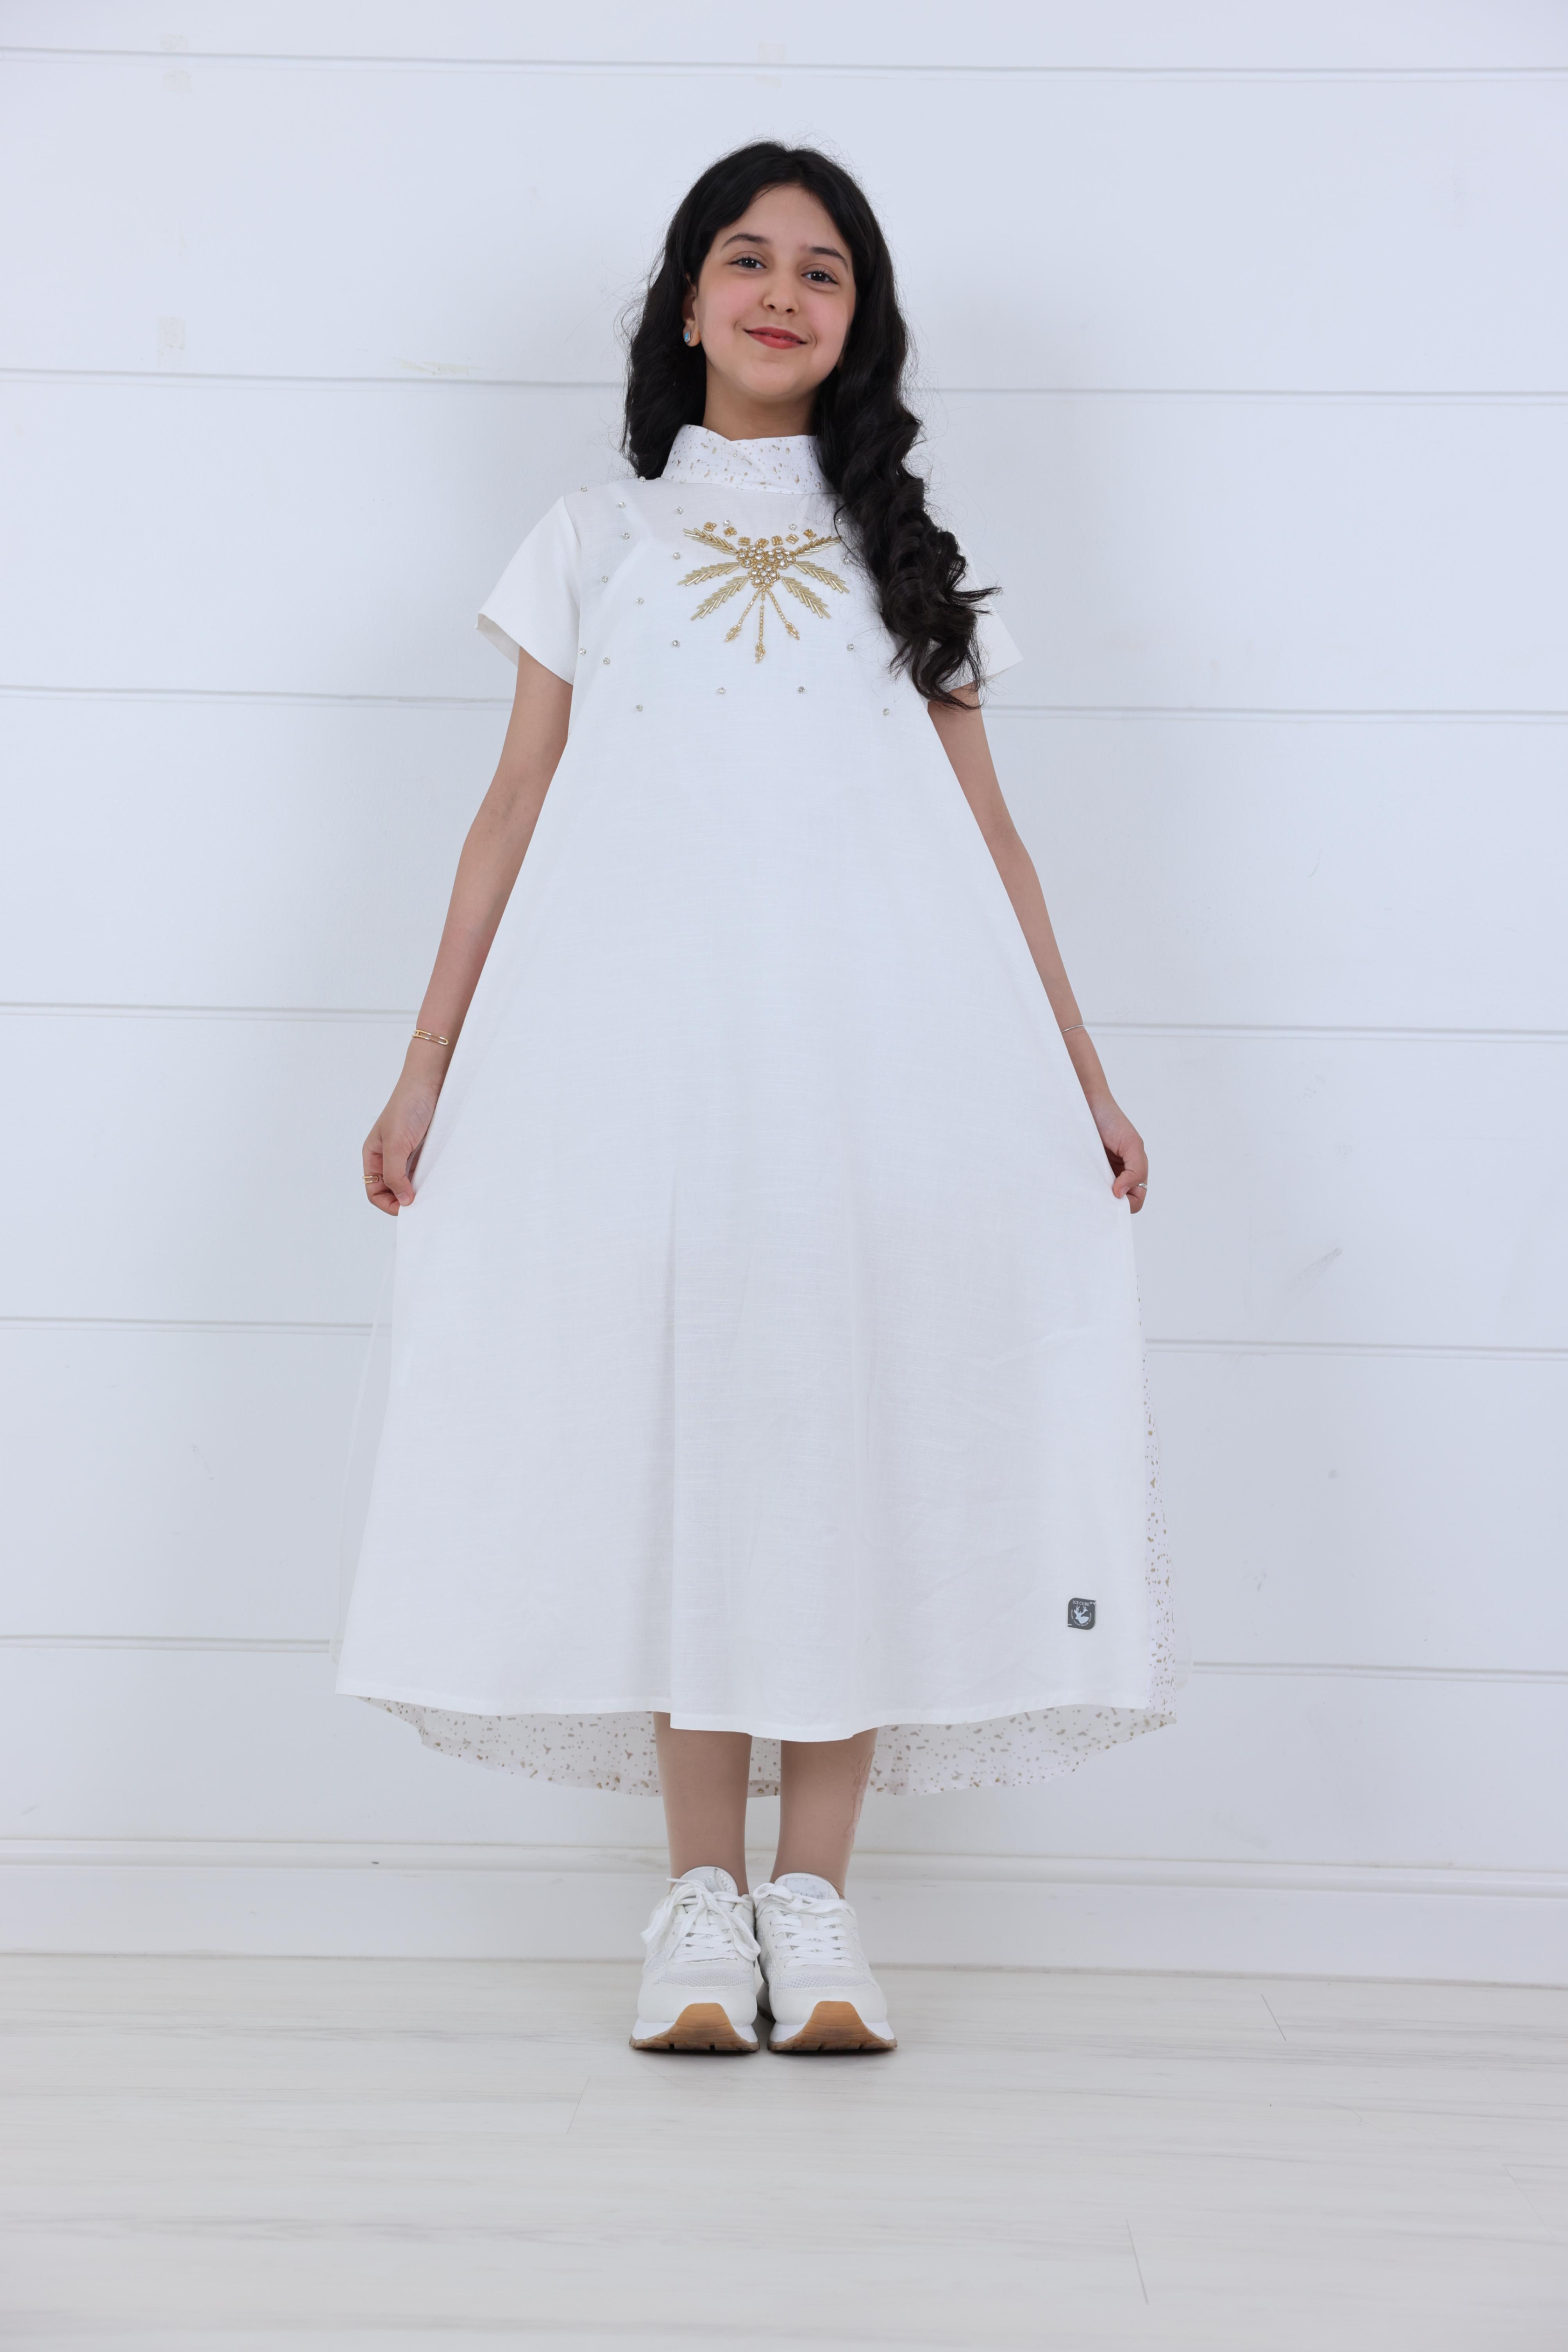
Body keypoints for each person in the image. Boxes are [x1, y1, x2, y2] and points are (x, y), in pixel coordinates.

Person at [336, 143, 1175, 2056]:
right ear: (688, 298)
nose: (782, 291)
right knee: (692, 1439)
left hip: (882, 1069)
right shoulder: (595, 538)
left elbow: (987, 835)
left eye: (822, 269)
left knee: (841, 1436)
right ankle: (699, 1903)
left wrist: (1082, 1076)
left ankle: (820, 1895)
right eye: (746, 257)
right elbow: (513, 806)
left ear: (858, 323)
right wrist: (424, 1064)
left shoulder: (908, 564)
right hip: (646, 1070)